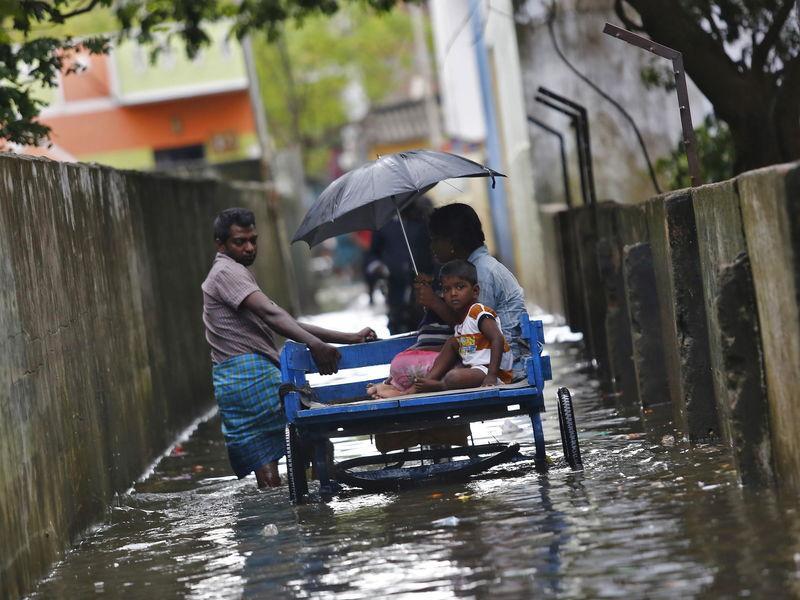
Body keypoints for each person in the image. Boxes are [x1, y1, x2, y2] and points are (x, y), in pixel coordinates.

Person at [202, 208, 376, 489]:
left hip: (232, 381)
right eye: (240, 242)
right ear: (220, 244)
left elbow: (282, 318)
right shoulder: (227, 272)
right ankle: (317, 509)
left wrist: (349, 338)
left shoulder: (232, 271)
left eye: (253, 240)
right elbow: (274, 317)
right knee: (315, 436)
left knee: (267, 468)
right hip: (250, 374)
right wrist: (316, 345)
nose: (249, 248)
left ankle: (284, 515)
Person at [415, 202, 528, 379]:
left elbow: (472, 328)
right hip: (481, 355)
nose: (432, 246)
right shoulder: (469, 270)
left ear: (451, 242)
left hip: (503, 365)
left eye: (435, 239)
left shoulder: (481, 272)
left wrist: (434, 302)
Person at [413, 260, 514, 392]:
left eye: (460, 287)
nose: (453, 293)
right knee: (452, 342)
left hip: (492, 372)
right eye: (447, 289)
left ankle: (440, 386)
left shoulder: (478, 311)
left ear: (475, 291)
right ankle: (430, 379)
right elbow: (467, 347)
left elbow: (497, 339)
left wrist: (492, 376)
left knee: (453, 377)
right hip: (475, 369)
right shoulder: (461, 321)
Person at [365, 196, 435, 334]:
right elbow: (372, 255)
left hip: (425, 288)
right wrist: (378, 266)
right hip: (396, 290)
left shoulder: (424, 218)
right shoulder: (384, 223)